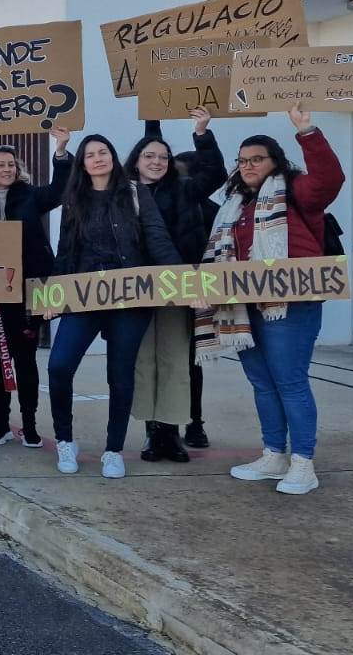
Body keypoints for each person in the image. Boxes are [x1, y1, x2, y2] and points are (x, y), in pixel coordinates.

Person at [205, 105, 343, 496]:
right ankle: (273, 454)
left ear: (274, 161)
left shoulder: (296, 189)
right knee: (262, 382)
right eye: (243, 161)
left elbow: (330, 180)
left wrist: (308, 130)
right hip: (243, 305)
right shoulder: (234, 203)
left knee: (290, 381)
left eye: (257, 160)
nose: (248, 166)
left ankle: (303, 461)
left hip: (289, 304)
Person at [46, 135, 181, 479]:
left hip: (129, 296)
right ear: (83, 163)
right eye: (89, 155)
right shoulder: (74, 199)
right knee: (59, 366)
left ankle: (113, 449)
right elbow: (65, 251)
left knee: (120, 375)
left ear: (113, 156)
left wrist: (184, 284)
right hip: (84, 295)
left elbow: (158, 238)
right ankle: (65, 440)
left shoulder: (136, 193)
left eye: (103, 151)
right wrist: (52, 298)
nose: (97, 158)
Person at [125, 111, 224, 463]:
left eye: (163, 157)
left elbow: (215, 174)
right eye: (149, 155)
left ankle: (172, 432)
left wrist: (201, 133)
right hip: (136, 290)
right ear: (136, 160)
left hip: (179, 287)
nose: (157, 161)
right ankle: (152, 433)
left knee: (175, 360)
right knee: (144, 361)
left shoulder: (184, 188)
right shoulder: (123, 194)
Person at [0, 127, 73, 449]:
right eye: (1, 164)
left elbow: (60, 189)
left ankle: (29, 424)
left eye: (11, 163)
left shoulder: (30, 194)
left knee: (25, 358)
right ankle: (0, 422)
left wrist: (62, 150)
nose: (7, 168)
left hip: (29, 287)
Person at [173, 148, 224, 449]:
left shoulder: (208, 209)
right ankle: (189, 423)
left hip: (194, 292)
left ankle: (193, 422)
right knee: (186, 360)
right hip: (173, 290)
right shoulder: (213, 208)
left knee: (190, 360)